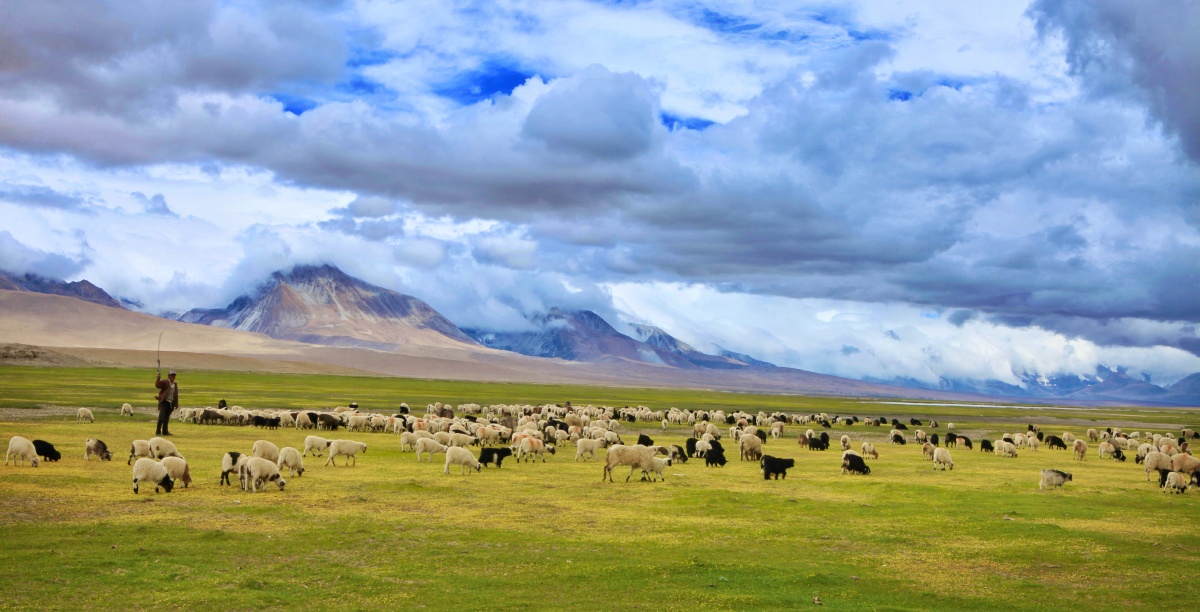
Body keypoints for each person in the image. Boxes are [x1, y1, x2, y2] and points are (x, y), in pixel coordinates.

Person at [154, 369, 179, 436]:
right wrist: (158, 378)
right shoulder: (165, 382)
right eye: (171, 376)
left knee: (166, 418)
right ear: (168, 376)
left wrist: (176, 404)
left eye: (173, 376)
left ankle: (165, 431)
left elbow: (175, 394)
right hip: (164, 402)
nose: (172, 377)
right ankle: (158, 431)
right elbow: (157, 385)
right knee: (161, 417)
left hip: (170, 403)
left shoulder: (175, 384)